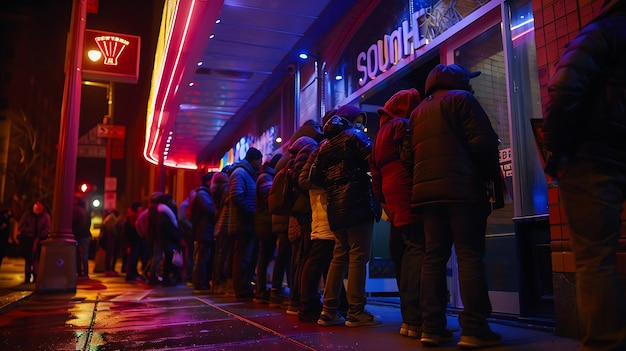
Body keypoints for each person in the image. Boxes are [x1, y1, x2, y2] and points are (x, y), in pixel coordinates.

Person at [542, 1, 626, 349]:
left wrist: (556, 150)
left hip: (593, 156)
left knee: (594, 257)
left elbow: (564, 88)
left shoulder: (600, 32)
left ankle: (605, 342)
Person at [409, 63, 502, 348]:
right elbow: (483, 144)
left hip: (428, 196)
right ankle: (474, 328)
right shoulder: (462, 100)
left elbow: (408, 156)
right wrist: (492, 179)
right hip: (462, 191)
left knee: (433, 258)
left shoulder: (416, 113)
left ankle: (432, 327)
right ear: (459, 82)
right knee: (469, 256)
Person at [310, 105, 381, 327]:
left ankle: (328, 311)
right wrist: (364, 178)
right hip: (357, 203)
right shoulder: (354, 136)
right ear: (349, 121)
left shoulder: (324, 146)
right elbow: (374, 161)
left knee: (339, 257)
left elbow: (314, 176)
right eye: (358, 121)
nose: (361, 125)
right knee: (359, 257)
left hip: (336, 210)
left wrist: (334, 184)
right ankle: (356, 311)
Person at [370, 88, 424, 338]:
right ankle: (416, 319)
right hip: (406, 191)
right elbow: (410, 158)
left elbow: (375, 175)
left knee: (401, 253)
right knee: (416, 249)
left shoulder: (381, 132)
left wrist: (383, 201)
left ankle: (408, 319)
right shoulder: (401, 125)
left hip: (391, 198)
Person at [228, 147, 263, 300]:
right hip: (242, 223)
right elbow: (237, 196)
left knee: (247, 257)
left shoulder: (246, 173)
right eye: (259, 160)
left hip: (246, 222)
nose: (260, 164)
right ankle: (241, 289)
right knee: (242, 258)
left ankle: (245, 287)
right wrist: (250, 213)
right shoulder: (240, 173)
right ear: (255, 159)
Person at [253, 153, 281, 303]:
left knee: (264, 256)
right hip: (265, 223)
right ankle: (261, 290)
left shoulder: (264, 175)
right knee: (264, 256)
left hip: (263, 222)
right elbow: (269, 196)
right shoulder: (266, 177)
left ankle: (261, 289)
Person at [190, 172, 217, 292]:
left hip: (204, 230)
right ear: (208, 182)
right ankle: (200, 283)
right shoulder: (202, 194)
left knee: (203, 257)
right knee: (203, 257)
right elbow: (209, 209)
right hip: (204, 231)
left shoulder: (203, 194)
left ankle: (201, 282)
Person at [14, 201, 51, 283]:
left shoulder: (45, 217)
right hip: (28, 240)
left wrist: (40, 235)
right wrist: (31, 233)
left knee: (37, 259)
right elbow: (21, 227)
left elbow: (47, 228)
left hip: (39, 240)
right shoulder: (27, 215)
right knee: (28, 259)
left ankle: (36, 276)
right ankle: (27, 276)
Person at [210, 167, 231, 295]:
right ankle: (221, 282)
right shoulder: (226, 189)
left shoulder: (215, 189)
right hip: (225, 223)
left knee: (219, 255)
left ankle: (217, 282)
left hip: (218, 225)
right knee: (224, 255)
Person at [124, 201, 144, 282]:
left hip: (134, 240)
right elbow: (130, 231)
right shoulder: (132, 217)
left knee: (134, 258)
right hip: (132, 241)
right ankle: (130, 274)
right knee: (133, 258)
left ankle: (133, 273)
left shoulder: (133, 217)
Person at [72, 197, 92, 278]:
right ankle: (85, 273)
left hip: (79, 236)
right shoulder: (86, 212)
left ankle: (79, 272)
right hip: (86, 235)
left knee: (77, 254)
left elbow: (76, 224)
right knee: (84, 255)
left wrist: (75, 232)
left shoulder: (76, 211)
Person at [100, 209, 120, 276]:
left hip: (107, 239)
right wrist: (116, 235)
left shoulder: (108, 217)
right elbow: (112, 229)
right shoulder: (112, 218)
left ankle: (108, 269)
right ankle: (108, 269)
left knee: (109, 254)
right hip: (110, 239)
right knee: (109, 254)